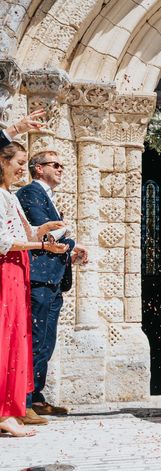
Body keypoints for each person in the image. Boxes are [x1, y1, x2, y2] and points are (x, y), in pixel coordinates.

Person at [16, 150, 88, 425]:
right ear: (37, 169)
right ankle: (23, 402)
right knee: (36, 339)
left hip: (53, 279)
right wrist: (72, 243)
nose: (60, 169)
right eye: (54, 164)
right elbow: (43, 230)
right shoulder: (30, 193)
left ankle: (36, 397)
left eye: (62, 165)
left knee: (47, 340)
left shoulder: (47, 195)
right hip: (39, 279)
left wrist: (69, 250)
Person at [0, 142, 67, 437]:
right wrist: (42, 244)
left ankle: (15, 405)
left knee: (20, 337)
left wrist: (42, 232)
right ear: (3, 162)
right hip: (9, 268)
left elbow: (24, 231)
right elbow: (4, 241)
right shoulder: (10, 195)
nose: (21, 168)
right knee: (10, 337)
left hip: (21, 269)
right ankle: (10, 409)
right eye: (18, 162)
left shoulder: (12, 196)